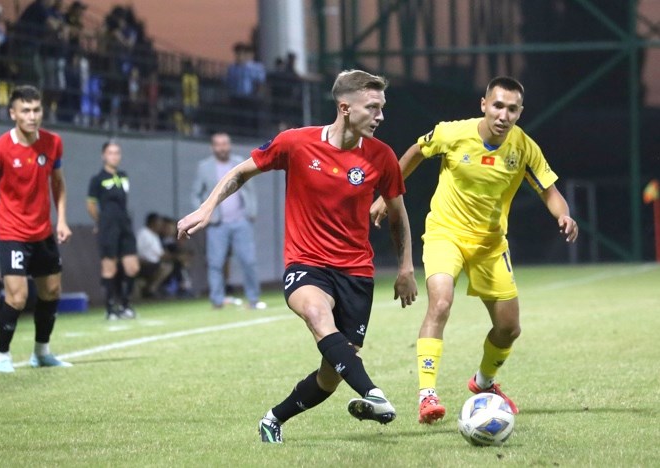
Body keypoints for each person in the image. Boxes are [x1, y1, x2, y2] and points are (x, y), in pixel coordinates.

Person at [178, 69, 418, 443]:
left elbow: (398, 215)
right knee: (317, 314)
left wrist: (406, 268)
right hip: (306, 263)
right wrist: (208, 207)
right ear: (344, 107)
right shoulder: (296, 143)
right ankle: (374, 394)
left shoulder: (382, 157)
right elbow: (242, 172)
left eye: (381, 107)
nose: (380, 116)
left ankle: (273, 418)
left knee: (331, 375)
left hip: (356, 272)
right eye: (372, 107)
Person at [370, 76, 579, 424]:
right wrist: (386, 196)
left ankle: (483, 382)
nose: (504, 115)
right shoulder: (452, 133)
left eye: (512, 109)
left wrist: (564, 215)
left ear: (520, 112)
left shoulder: (524, 147)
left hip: (490, 245)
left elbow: (549, 190)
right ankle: (427, 395)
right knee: (440, 302)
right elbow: (414, 153)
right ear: (484, 105)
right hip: (445, 234)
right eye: (498, 106)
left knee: (509, 329)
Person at [0, 84, 73, 373]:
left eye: (36, 110)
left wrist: (61, 219)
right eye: (25, 110)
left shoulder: (53, 142)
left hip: (43, 232)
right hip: (12, 233)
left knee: (51, 291)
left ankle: (41, 352)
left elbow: (58, 182)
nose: (32, 116)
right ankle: (2, 355)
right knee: (17, 297)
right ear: (13, 114)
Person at [190, 132, 265, 310]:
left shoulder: (239, 162)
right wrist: (203, 214)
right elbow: (195, 194)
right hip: (217, 223)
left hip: (241, 221)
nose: (222, 147)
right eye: (218, 144)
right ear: (212, 147)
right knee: (215, 263)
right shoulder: (204, 167)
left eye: (225, 144)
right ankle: (217, 300)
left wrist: (252, 211)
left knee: (248, 261)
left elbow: (250, 190)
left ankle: (253, 299)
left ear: (229, 145)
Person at [86, 140, 140, 320]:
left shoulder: (123, 176)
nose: (114, 156)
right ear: (104, 155)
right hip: (108, 226)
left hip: (125, 224)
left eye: (117, 153)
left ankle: (125, 304)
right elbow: (91, 205)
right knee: (109, 267)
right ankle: (110, 308)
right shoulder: (97, 179)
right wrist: (101, 222)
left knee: (132, 267)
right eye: (110, 153)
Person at [135, 212, 173, 299]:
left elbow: (160, 253)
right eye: (158, 223)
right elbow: (137, 251)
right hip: (144, 263)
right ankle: (150, 290)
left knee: (169, 265)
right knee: (165, 267)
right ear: (152, 222)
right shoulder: (143, 233)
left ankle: (152, 289)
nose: (160, 226)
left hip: (154, 263)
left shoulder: (154, 235)